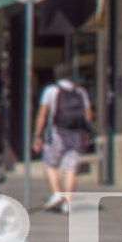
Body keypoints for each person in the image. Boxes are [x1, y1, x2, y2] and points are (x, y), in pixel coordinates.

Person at [33, 63, 93, 213]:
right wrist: (86, 134)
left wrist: (37, 135)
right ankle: (68, 202)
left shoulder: (51, 91)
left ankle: (56, 194)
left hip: (56, 133)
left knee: (49, 165)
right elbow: (88, 116)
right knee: (70, 169)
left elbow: (42, 114)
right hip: (76, 133)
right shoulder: (80, 91)